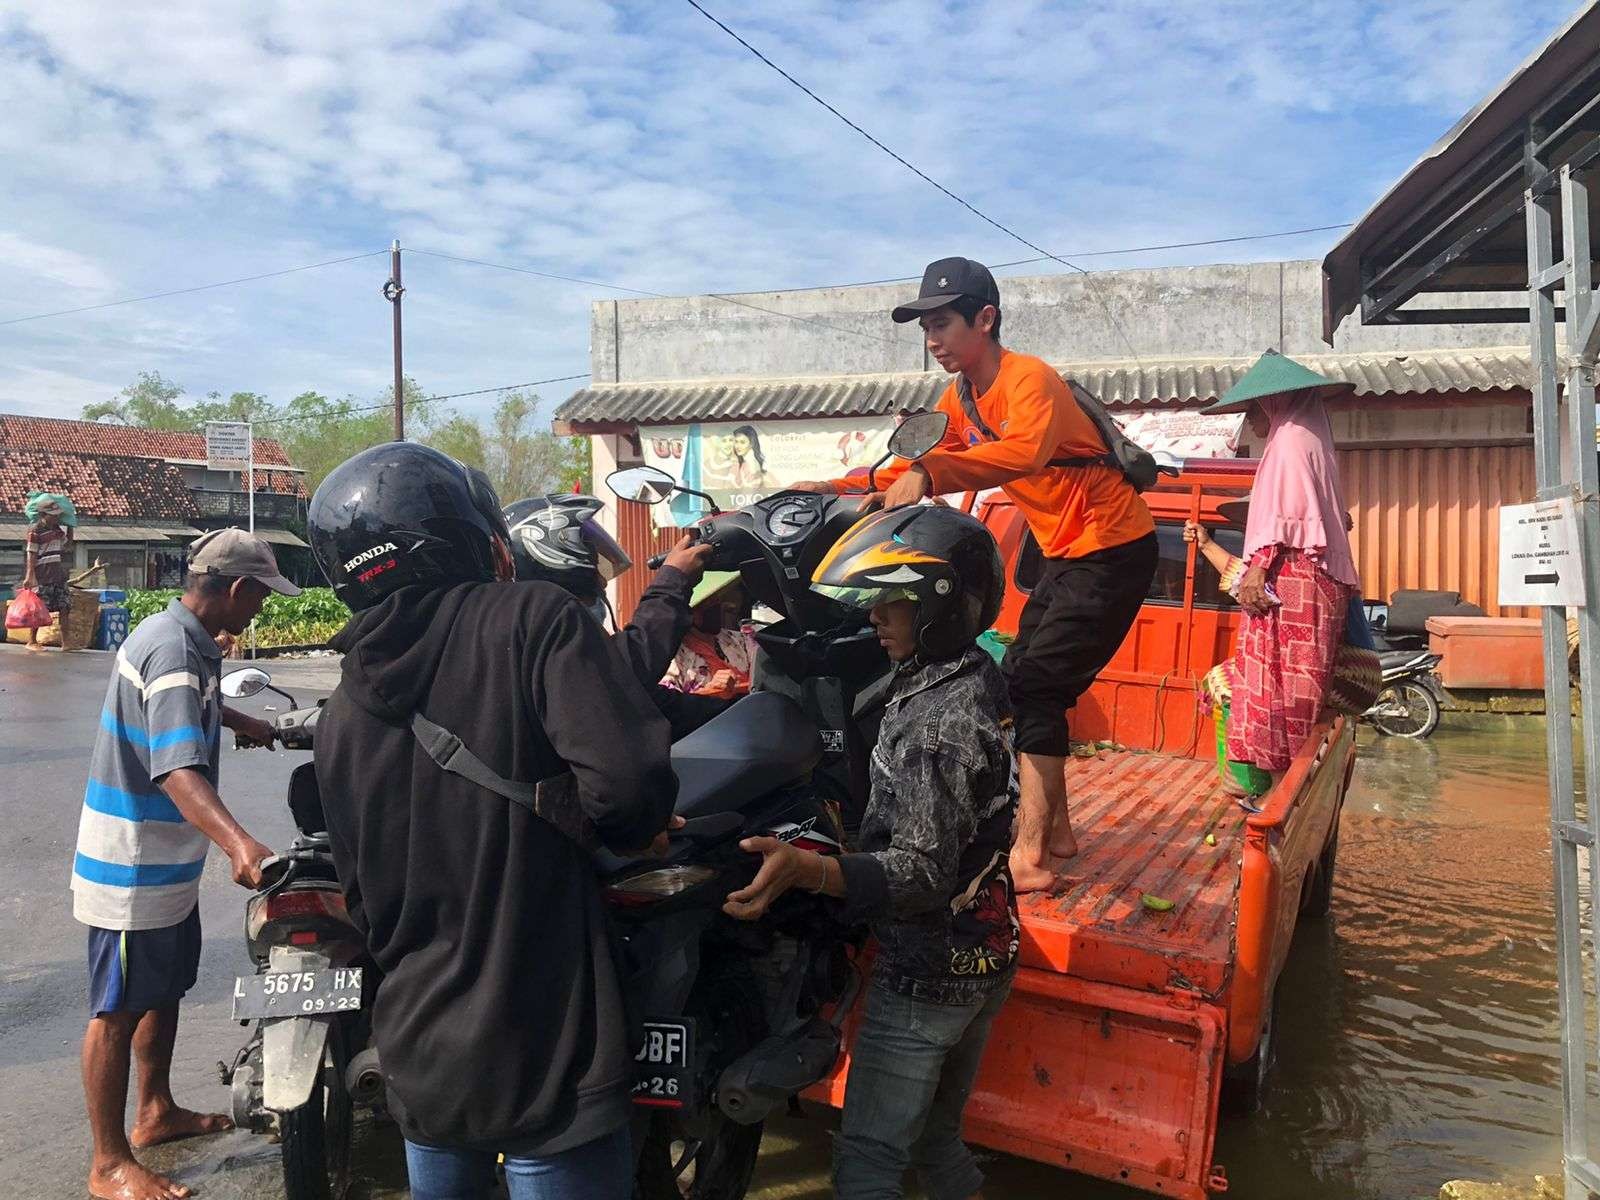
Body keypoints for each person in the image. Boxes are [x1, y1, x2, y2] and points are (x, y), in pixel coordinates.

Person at [308, 445, 680, 1200]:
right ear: (468, 538)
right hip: (546, 1036)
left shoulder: (340, 712)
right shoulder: (533, 619)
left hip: (421, 1047)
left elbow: (361, 894)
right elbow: (629, 791)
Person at [792, 256, 1158, 890]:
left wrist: (930, 475)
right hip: (1065, 553)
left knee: (1036, 687)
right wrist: (836, 485)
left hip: (1112, 546)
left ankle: (1032, 857)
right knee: (1023, 683)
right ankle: (1059, 833)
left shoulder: (1028, 379)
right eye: (925, 327)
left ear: (984, 319)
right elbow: (927, 459)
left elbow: (1023, 453)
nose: (933, 340)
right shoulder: (959, 397)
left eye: (943, 323)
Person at [722, 505, 1016, 1200]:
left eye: (893, 603)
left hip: (927, 972)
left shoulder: (935, 723)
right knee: (939, 1140)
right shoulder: (972, 674)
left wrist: (811, 869)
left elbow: (919, 873)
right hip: (990, 949)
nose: (876, 619)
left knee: (867, 1165)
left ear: (939, 607)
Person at [72, 527, 291, 1200]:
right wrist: (239, 843)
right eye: (258, 597)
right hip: (132, 861)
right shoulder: (171, 648)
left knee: (161, 988)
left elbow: (182, 707)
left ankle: (155, 1111)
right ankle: (109, 1162)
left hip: (167, 858)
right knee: (116, 1008)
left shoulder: (189, 642)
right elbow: (173, 769)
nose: (259, 610)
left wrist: (238, 720)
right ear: (233, 589)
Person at [1191, 351, 1362, 786]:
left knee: (1281, 692)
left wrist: (1255, 571)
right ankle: (1292, 781)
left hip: (1294, 583)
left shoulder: (1289, 442)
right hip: (1315, 583)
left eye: (1253, 409)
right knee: (1299, 691)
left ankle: (1287, 784)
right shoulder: (1313, 439)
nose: (1251, 421)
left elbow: (1284, 520)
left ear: (1275, 403)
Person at [503, 492, 727, 740]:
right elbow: (622, 670)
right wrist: (673, 581)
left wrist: (745, 707)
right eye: (589, 550)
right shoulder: (544, 644)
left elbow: (649, 703)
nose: (601, 580)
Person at [660, 575, 755, 699]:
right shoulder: (675, 658)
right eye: (706, 604)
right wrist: (708, 692)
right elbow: (669, 705)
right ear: (689, 613)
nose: (715, 608)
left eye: (715, 601)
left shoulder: (742, 641)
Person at [22, 496, 73, 651]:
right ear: (44, 515)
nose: (56, 517)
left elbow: (68, 545)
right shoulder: (35, 531)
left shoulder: (57, 530)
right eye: (53, 515)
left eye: (58, 515)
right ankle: (31, 641)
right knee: (39, 610)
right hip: (43, 576)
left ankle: (67, 643)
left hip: (58, 575)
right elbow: (31, 553)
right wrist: (30, 576)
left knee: (65, 607)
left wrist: (71, 526)